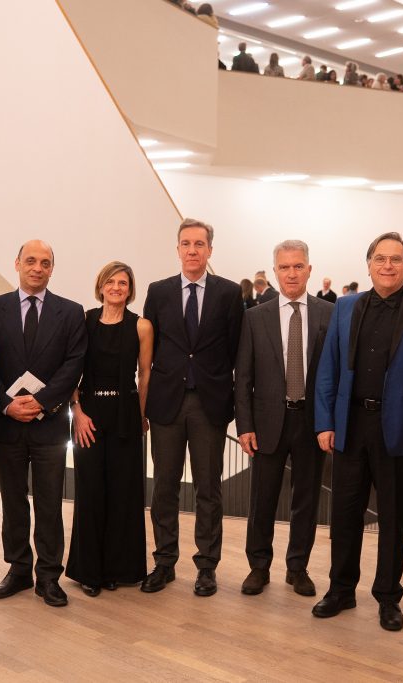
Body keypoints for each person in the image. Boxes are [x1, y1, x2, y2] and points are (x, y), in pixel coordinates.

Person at [313, 232, 403, 632]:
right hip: (350, 427)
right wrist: (325, 422)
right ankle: (341, 590)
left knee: (392, 520)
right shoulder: (345, 306)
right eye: (380, 259)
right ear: (369, 265)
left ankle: (388, 597)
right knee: (344, 516)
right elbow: (328, 368)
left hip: (401, 435)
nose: (388, 266)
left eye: (396, 259)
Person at [0, 240, 87, 608]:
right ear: (17, 264)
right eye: (30, 261)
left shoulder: (70, 312)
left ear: (52, 269)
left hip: (49, 424)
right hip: (6, 424)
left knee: (49, 502)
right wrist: (6, 405)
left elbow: (74, 363)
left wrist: (42, 401)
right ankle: (19, 569)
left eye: (44, 262)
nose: (37, 268)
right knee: (12, 500)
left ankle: (49, 575)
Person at [142, 218, 244, 596]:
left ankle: (206, 567)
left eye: (199, 244)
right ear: (178, 249)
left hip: (209, 404)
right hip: (166, 404)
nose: (192, 250)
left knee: (208, 489)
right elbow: (148, 350)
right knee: (164, 487)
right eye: (186, 243)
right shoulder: (158, 292)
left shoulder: (229, 293)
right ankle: (164, 562)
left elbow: (235, 350)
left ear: (210, 250)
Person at [235, 241, 334, 597]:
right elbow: (243, 377)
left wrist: (330, 422)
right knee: (262, 499)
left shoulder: (329, 313)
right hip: (267, 423)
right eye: (284, 267)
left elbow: (335, 374)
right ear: (275, 271)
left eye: (298, 266)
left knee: (306, 500)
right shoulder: (254, 317)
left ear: (309, 269)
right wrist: (245, 426)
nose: (291, 273)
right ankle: (258, 567)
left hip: (312, 422)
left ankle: (297, 568)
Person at [66, 262, 153, 596]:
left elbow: (145, 374)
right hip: (88, 415)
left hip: (125, 415)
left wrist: (141, 416)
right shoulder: (83, 321)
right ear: (101, 286)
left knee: (123, 493)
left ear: (130, 289)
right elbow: (71, 369)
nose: (116, 288)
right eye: (111, 282)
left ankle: (117, 569)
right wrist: (77, 411)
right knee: (90, 492)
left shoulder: (141, 326)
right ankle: (89, 572)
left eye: (123, 283)